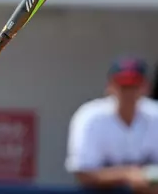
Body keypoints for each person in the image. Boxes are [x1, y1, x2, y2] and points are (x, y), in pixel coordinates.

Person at [65, 56, 158, 194]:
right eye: (123, 85)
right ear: (109, 86)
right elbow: (82, 173)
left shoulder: (155, 115)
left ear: (146, 87)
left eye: (134, 85)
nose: (128, 92)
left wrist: (146, 178)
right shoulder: (90, 117)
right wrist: (128, 175)